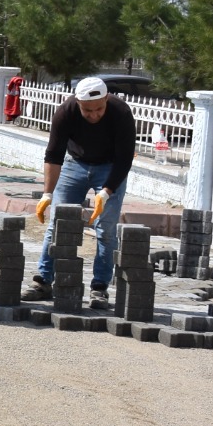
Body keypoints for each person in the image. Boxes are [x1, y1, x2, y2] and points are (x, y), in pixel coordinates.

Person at [23, 76, 137, 310]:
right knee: (57, 223)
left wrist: (107, 191)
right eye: (88, 110)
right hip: (75, 164)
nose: (94, 115)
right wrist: (47, 194)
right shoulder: (65, 112)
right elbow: (53, 155)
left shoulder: (120, 112)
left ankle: (99, 288)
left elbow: (125, 159)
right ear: (78, 103)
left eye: (99, 109)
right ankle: (44, 282)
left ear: (106, 99)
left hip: (110, 166)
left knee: (105, 229)